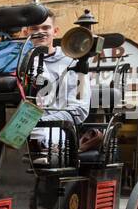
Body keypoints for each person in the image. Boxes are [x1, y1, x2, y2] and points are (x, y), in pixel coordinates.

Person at [24, 13, 93, 163]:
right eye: (34, 28)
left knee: (39, 138)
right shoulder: (18, 61)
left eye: (45, 27)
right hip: (22, 125)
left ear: (55, 31)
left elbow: (79, 109)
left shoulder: (74, 63)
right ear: (26, 33)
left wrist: (39, 121)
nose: (40, 32)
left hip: (56, 128)